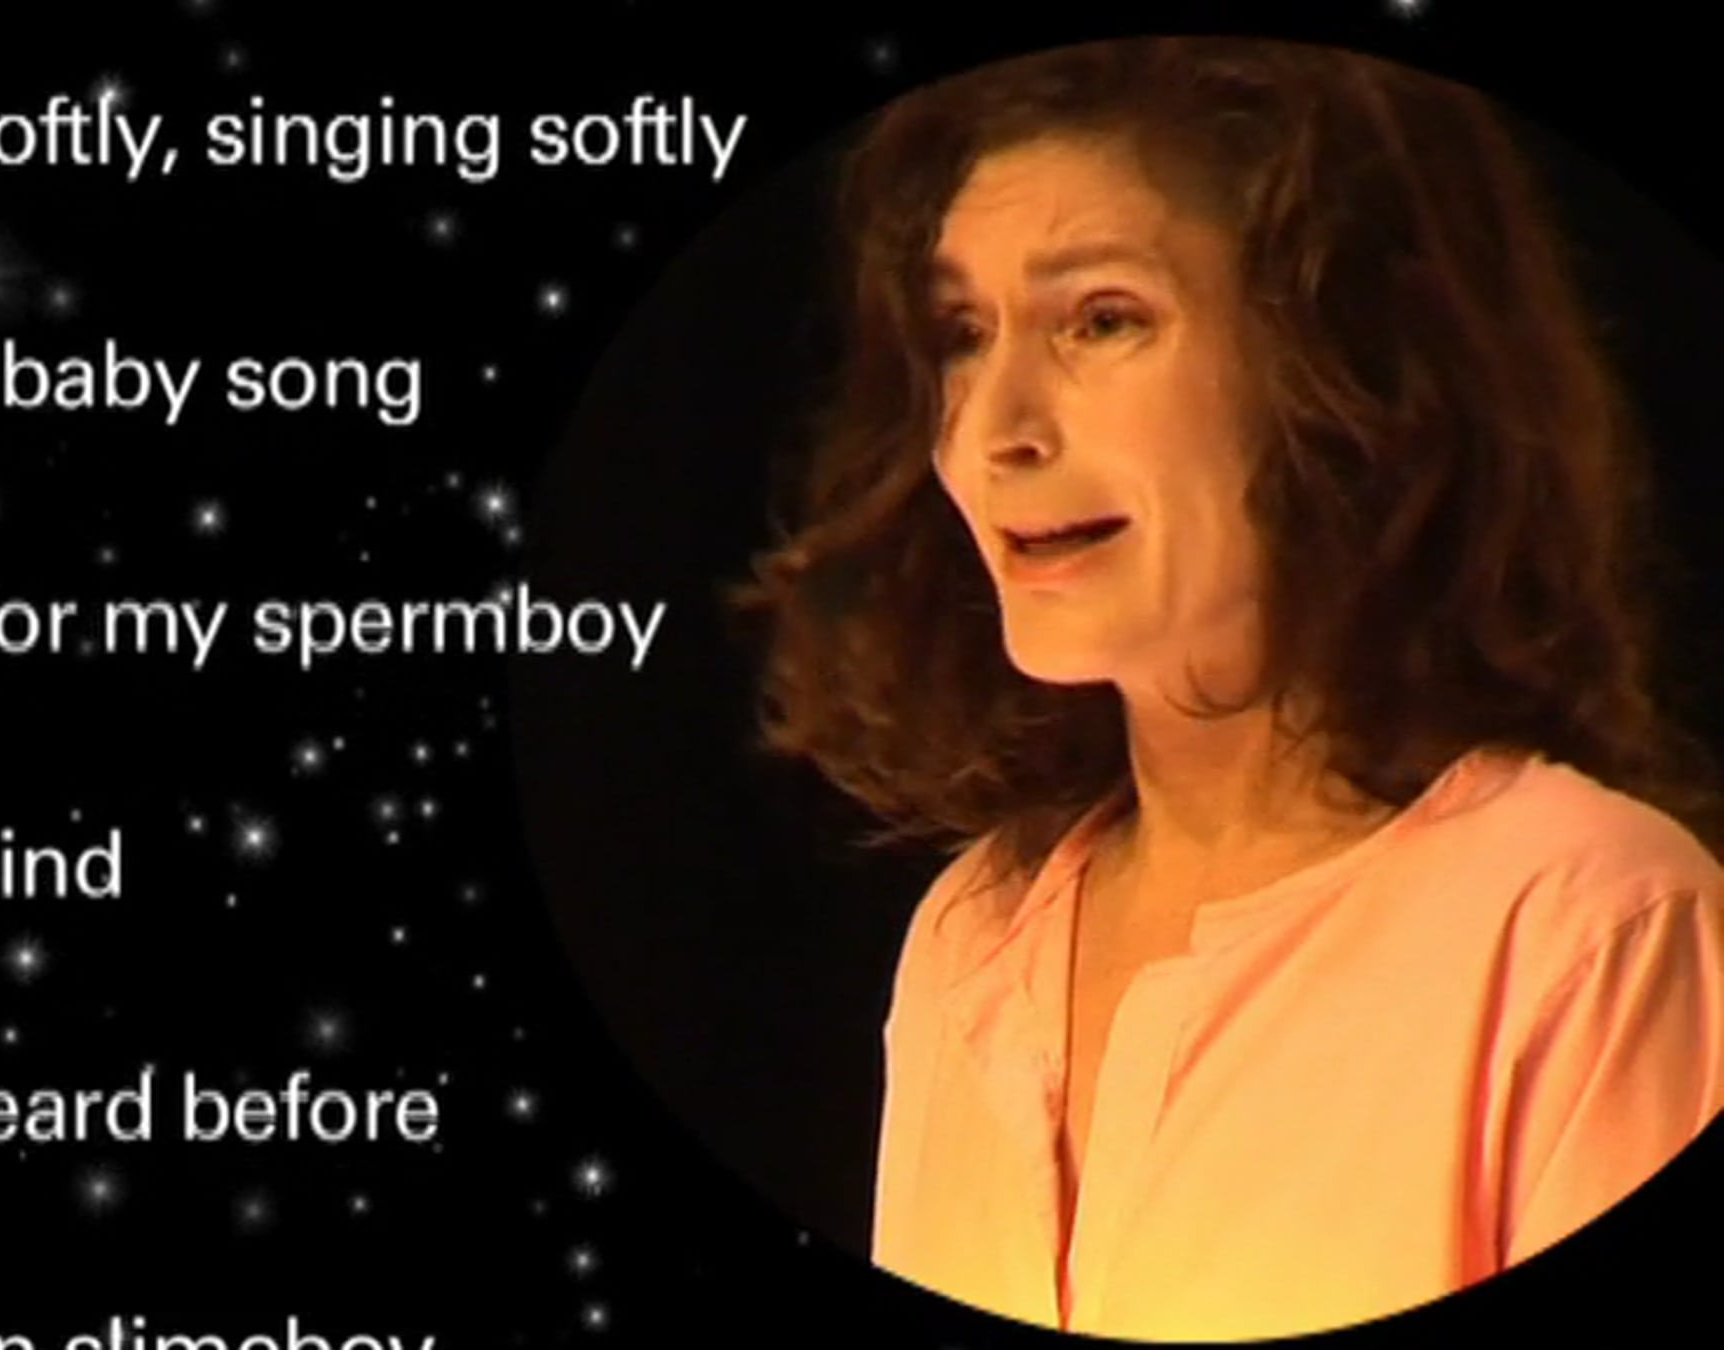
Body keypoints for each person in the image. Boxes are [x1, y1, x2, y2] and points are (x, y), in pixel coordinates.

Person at [736, 37, 1724, 1342]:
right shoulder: (970, 936)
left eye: (1102, 320)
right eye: (962, 336)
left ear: (1345, 365)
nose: (994, 430)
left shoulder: (1588, 930)